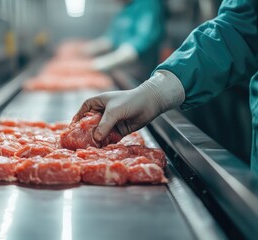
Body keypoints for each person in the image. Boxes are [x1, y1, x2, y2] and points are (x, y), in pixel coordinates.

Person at [73, 0, 258, 173]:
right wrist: (154, 92)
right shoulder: (129, 9)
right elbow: (238, 30)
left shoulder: (148, 4)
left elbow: (142, 41)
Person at [83, 0, 165, 78]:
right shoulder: (126, 7)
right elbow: (111, 39)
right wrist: (85, 50)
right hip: (123, 71)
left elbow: (142, 41)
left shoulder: (148, 4)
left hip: (142, 71)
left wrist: (102, 63)